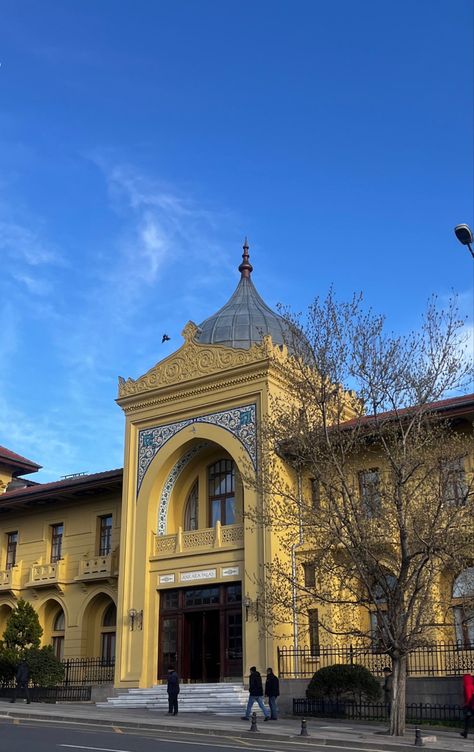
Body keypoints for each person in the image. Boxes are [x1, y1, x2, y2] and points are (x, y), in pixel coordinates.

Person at [460, 673, 474, 739]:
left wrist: (465, 705)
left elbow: (468, 697)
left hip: (470, 706)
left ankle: (465, 732)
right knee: (467, 719)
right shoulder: (472, 685)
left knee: (467, 719)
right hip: (472, 705)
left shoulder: (467, 686)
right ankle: (465, 732)